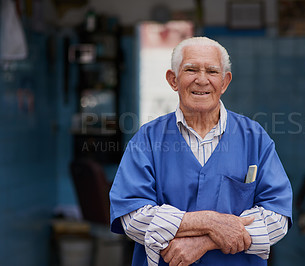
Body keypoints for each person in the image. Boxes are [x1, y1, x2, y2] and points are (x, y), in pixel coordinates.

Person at [109, 37, 293, 266]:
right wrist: (208, 221)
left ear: (225, 82)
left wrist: (204, 242)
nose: (202, 80)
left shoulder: (254, 137)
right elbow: (132, 217)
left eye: (212, 71)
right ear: (173, 80)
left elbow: (278, 218)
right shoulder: (147, 140)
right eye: (191, 70)